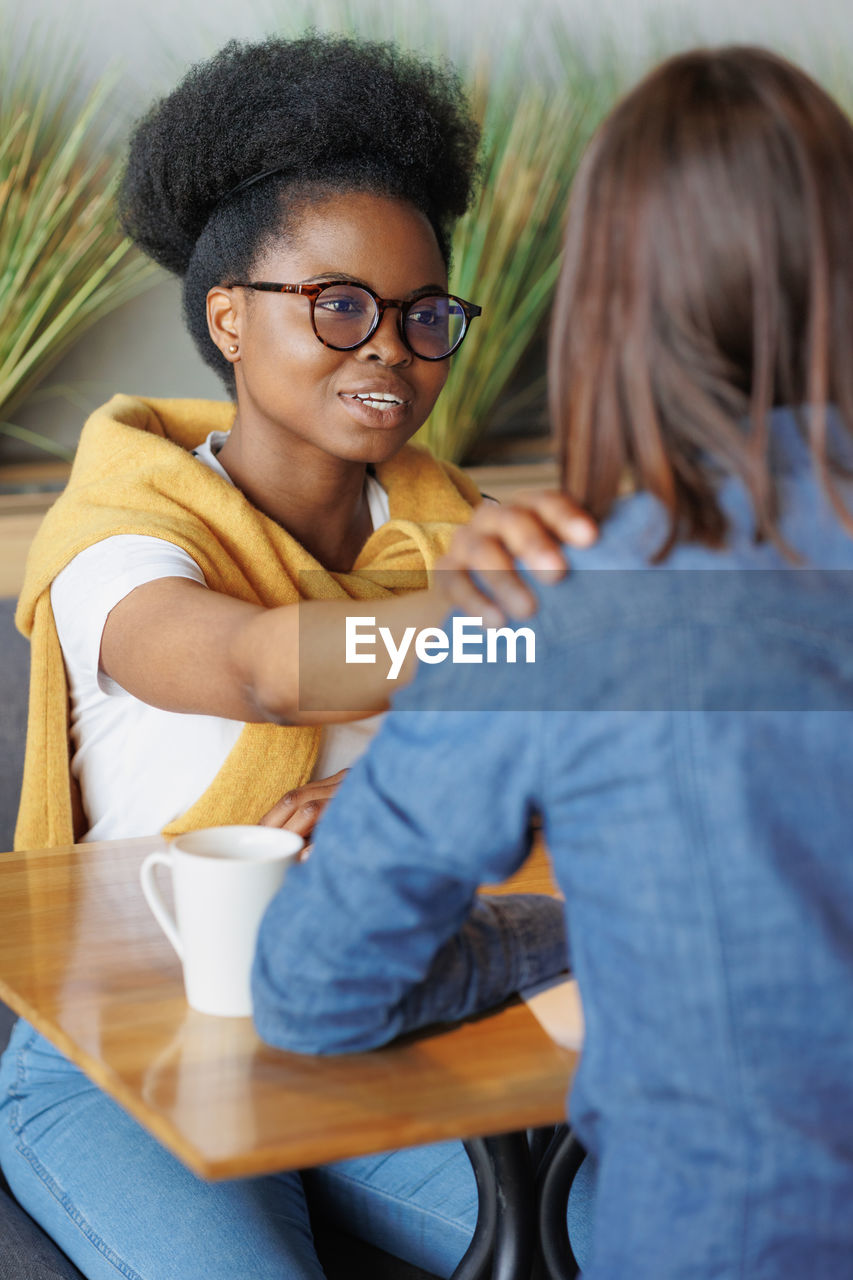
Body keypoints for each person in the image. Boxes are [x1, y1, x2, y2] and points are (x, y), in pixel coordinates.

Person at [252, 46, 853, 1278]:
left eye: (414, 317)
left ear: (607, 306)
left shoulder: (550, 596)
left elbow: (316, 985)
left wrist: (547, 930)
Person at [0, 35, 583, 1280]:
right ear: (228, 314)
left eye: (425, 313)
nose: (391, 347)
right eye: (338, 304)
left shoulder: (458, 530)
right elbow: (265, 666)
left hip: (375, 1019)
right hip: (118, 1054)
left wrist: (399, 800)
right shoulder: (119, 538)